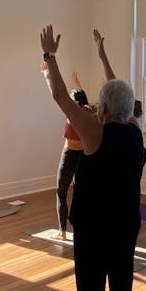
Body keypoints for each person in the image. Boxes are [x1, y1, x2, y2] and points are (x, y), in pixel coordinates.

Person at [41, 25, 146, 291]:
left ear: (100, 108)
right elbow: (119, 95)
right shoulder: (134, 132)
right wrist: (102, 55)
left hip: (91, 240)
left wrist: (49, 56)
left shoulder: (93, 132)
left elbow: (58, 94)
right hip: (124, 235)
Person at [52, 69, 94, 240]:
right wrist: (77, 83)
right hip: (83, 155)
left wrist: (48, 75)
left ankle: (62, 231)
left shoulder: (73, 112)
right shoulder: (88, 111)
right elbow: (82, 98)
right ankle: (80, 228)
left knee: (61, 192)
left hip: (70, 154)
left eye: (70, 96)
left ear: (74, 101)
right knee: (80, 192)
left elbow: (59, 95)